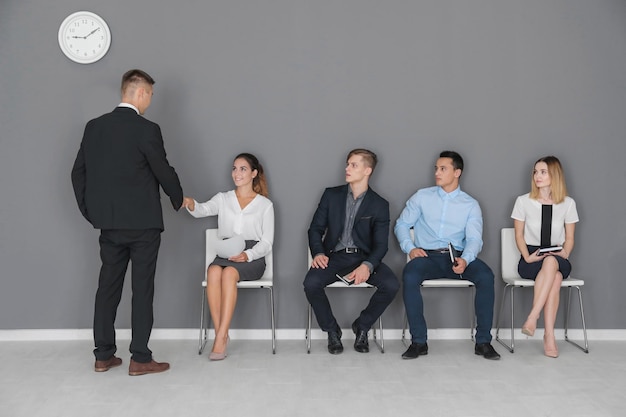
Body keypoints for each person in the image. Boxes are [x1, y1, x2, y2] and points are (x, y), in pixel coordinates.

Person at [71, 69, 183, 376]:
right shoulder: (147, 129)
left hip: (109, 224)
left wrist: (91, 212)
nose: (149, 102)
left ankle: (103, 355)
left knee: (107, 289)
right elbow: (162, 170)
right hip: (144, 225)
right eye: (150, 96)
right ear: (142, 93)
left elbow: (77, 172)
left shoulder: (94, 127)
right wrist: (178, 198)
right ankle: (140, 358)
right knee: (142, 290)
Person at [395, 150, 500, 360]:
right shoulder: (422, 196)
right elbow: (402, 224)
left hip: (458, 257)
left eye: (443, 169)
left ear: (457, 172)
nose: (437, 172)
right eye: (436, 168)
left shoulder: (470, 204)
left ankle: (483, 342)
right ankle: (419, 342)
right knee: (409, 275)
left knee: (486, 276)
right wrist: (410, 247)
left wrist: (466, 259)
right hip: (427, 258)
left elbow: (474, 239)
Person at [304, 148, 399, 354]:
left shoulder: (380, 204)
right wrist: (319, 253)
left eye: (353, 165)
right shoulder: (331, 195)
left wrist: (368, 265)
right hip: (334, 256)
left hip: (364, 257)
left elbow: (381, 245)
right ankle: (332, 331)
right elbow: (315, 229)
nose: (347, 168)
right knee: (311, 283)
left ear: (367, 170)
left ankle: (362, 326)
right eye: (347, 164)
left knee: (391, 284)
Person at [182, 153, 274, 360]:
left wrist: (248, 255)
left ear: (254, 173)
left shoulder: (264, 205)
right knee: (213, 271)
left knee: (229, 273)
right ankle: (221, 333)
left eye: (242, 169)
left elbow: (267, 242)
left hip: (252, 257)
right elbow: (203, 209)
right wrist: (190, 203)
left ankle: (221, 337)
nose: (237, 173)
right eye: (234, 168)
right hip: (226, 252)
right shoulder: (223, 198)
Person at [511, 156, 578, 358]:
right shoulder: (523, 201)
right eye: (535, 172)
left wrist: (565, 252)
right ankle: (549, 335)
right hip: (531, 257)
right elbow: (518, 235)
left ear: (554, 175)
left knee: (552, 263)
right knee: (555, 278)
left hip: (556, 256)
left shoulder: (568, 203)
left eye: (543, 172)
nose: (537, 176)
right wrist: (527, 256)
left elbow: (570, 237)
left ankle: (533, 316)